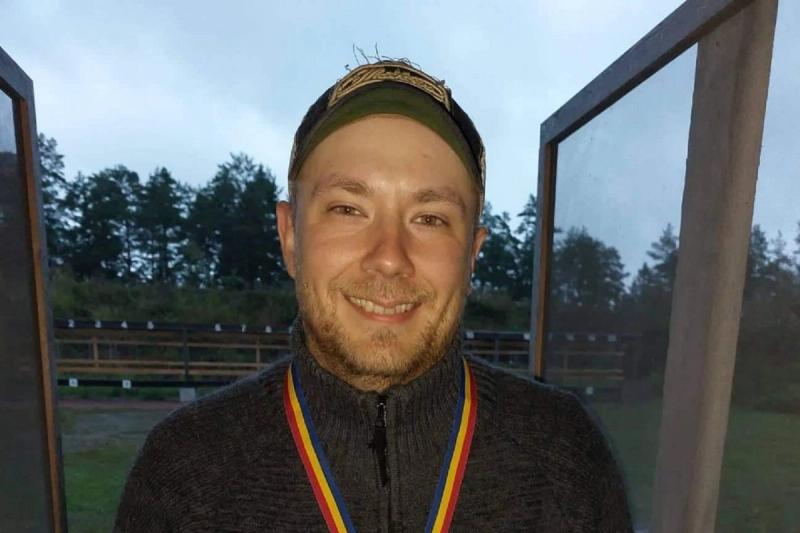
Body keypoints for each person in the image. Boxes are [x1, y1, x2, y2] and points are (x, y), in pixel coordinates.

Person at [114, 60, 633, 532]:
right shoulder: (183, 469)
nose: (389, 257)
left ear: (473, 254)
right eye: (348, 209)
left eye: (430, 219)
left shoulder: (565, 453)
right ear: (290, 237)